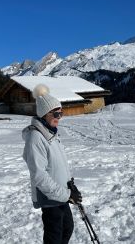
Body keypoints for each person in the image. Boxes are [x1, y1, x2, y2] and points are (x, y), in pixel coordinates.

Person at [22, 84, 82, 244]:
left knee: (67, 228)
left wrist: (70, 185)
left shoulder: (51, 134)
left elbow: (59, 165)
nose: (59, 117)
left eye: (61, 113)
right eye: (55, 113)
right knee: (54, 237)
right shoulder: (36, 138)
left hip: (61, 192)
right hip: (49, 197)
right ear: (43, 114)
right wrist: (67, 194)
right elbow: (39, 176)